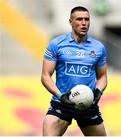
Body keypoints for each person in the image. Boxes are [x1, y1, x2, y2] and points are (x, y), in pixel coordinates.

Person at [41, 6, 108, 136]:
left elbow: (103, 76)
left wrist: (98, 91)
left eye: (87, 19)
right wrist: (60, 96)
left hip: (88, 104)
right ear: (71, 22)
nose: (84, 23)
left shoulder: (98, 48)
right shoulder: (56, 44)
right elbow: (45, 76)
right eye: (79, 19)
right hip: (62, 103)